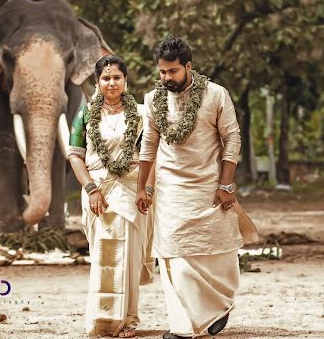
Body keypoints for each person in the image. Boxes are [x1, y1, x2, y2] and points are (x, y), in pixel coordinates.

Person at [136, 37, 258, 339]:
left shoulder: (216, 95)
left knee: (216, 251)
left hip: (209, 185)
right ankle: (183, 325)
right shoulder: (153, 99)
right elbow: (148, 146)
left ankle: (218, 305)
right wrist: (142, 188)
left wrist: (226, 183)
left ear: (188, 66)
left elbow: (232, 138)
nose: (166, 78)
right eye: (162, 72)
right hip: (170, 189)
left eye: (173, 71)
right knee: (174, 255)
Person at [68, 55, 155, 338]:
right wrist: (91, 189)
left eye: (117, 77)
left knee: (127, 256)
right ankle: (102, 320)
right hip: (98, 192)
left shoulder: (141, 114)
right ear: (97, 82)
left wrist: (146, 189)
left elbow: (149, 157)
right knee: (103, 255)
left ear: (126, 81)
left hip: (131, 189)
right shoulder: (84, 114)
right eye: (105, 78)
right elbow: (75, 156)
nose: (111, 82)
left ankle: (128, 319)